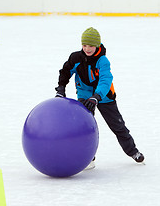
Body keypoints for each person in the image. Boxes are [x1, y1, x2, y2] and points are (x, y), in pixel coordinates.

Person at [55, 27, 144, 165]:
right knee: (85, 128)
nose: (87, 49)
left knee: (118, 126)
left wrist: (97, 96)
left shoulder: (103, 61)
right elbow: (65, 71)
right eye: (84, 45)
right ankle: (88, 156)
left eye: (91, 46)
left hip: (105, 97)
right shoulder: (76, 58)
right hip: (85, 95)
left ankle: (133, 151)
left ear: (97, 45)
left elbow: (105, 80)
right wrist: (61, 88)